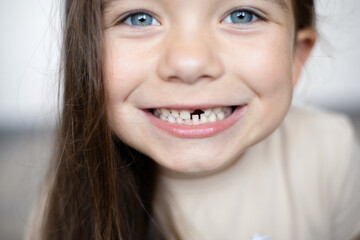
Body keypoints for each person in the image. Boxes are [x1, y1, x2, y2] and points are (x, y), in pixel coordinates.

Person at [27, 0, 360, 239]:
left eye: (242, 15)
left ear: (295, 57)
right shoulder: (69, 198)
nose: (189, 63)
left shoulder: (332, 148)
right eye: (139, 18)